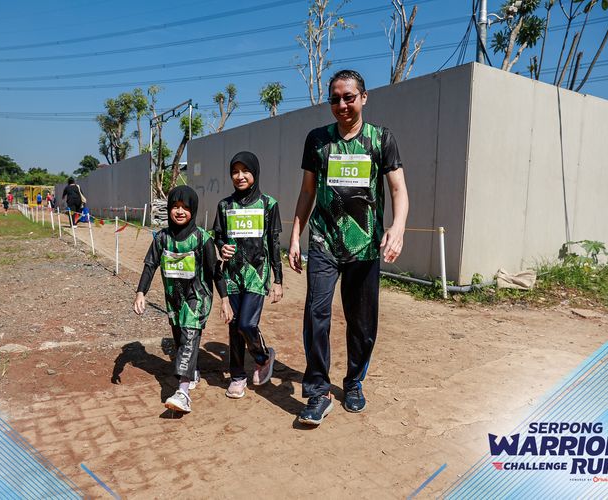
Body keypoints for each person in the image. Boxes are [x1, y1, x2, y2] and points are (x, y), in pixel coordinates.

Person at [288, 69, 409, 426]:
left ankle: (354, 382)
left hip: (365, 245)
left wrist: (397, 227)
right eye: (335, 99)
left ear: (363, 98)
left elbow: (399, 190)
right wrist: (295, 235)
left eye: (349, 97)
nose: (342, 104)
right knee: (316, 314)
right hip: (323, 241)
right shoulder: (317, 140)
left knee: (362, 322)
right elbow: (307, 191)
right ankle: (317, 391)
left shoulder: (381, 139)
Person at [133, 186, 232, 413]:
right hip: (174, 298)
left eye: (185, 208)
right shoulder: (162, 238)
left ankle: (183, 392)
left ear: (193, 210)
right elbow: (150, 265)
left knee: (189, 334)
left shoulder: (202, 238)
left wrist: (225, 300)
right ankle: (192, 370)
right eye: (175, 207)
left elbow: (215, 272)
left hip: (198, 297)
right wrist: (140, 293)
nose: (179, 211)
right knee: (180, 338)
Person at [212, 151, 283, 399]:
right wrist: (222, 247)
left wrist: (278, 280)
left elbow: (274, 243)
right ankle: (238, 376)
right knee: (234, 326)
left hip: (257, 274)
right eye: (235, 171)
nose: (239, 176)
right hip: (232, 276)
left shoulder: (269, 204)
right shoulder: (224, 205)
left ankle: (263, 357)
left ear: (255, 172)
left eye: (245, 171)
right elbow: (217, 236)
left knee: (246, 324)